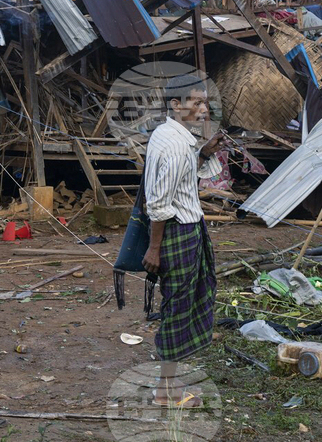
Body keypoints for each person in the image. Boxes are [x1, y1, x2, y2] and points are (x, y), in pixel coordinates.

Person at [142, 74, 226, 408]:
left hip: (181, 229)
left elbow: (178, 182)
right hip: (179, 233)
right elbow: (160, 204)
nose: (204, 109)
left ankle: (169, 387)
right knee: (177, 309)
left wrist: (203, 154)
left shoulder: (169, 135)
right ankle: (166, 392)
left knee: (178, 305)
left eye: (206, 102)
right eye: (196, 102)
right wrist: (154, 247)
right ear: (176, 105)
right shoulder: (177, 145)